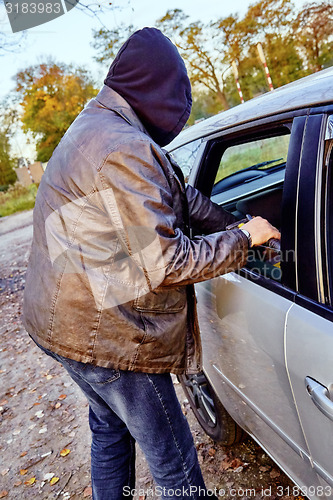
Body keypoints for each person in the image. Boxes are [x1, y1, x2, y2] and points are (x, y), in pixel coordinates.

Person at [22, 27, 280, 500]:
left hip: (62, 322)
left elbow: (172, 195)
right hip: (107, 335)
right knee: (175, 460)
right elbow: (165, 262)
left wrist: (229, 220)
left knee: (108, 432)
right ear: (158, 90)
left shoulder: (97, 125)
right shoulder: (124, 147)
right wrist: (244, 238)